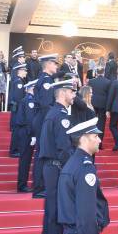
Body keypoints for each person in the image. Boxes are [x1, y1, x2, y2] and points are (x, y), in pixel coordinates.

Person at [39, 79, 76, 234]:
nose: (74, 95)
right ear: (63, 93)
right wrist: (73, 170)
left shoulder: (52, 113)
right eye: (72, 91)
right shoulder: (61, 116)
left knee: (51, 212)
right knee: (55, 213)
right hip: (57, 167)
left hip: (51, 167)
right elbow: (64, 148)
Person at [32, 54, 64, 198]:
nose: (56, 66)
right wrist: (53, 121)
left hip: (43, 119)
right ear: (48, 65)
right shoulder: (45, 80)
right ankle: (39, 188)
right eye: (54, 64)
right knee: (41, 154)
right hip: (43, 120)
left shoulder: (47, 79)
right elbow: (46, 105)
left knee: (42, 153)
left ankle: (40, 186)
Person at [16, 79, 38, 193]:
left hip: (25, 131)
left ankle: (22, 183)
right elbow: (30, 119)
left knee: (26, 159)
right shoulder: (30, 100)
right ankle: (22, 185)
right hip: (27, 133)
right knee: (25, 159)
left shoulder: (28, 99)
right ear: (32, 89)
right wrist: (33, 135)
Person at [9, 64, 28, 157]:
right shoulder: (19, 82)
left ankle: (15, 150)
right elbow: (18, 98)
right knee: (16, 131)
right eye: (25, 71)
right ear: (20, 71)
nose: (26, 72)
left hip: (17, 110)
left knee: (17, 131)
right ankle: (13, 151)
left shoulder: (19, 81)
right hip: (18, 110)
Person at [88, 67, 111, 141]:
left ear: (96, 73)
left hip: (93, 103)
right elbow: (109, 95)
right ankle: (99, 142)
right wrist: (108, 108)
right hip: (103, 104)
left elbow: (88, 93)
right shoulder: (108, 82)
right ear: (103, 73)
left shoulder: (91, 81)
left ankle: (91, 140)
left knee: (92, 122)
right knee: (101, 123)